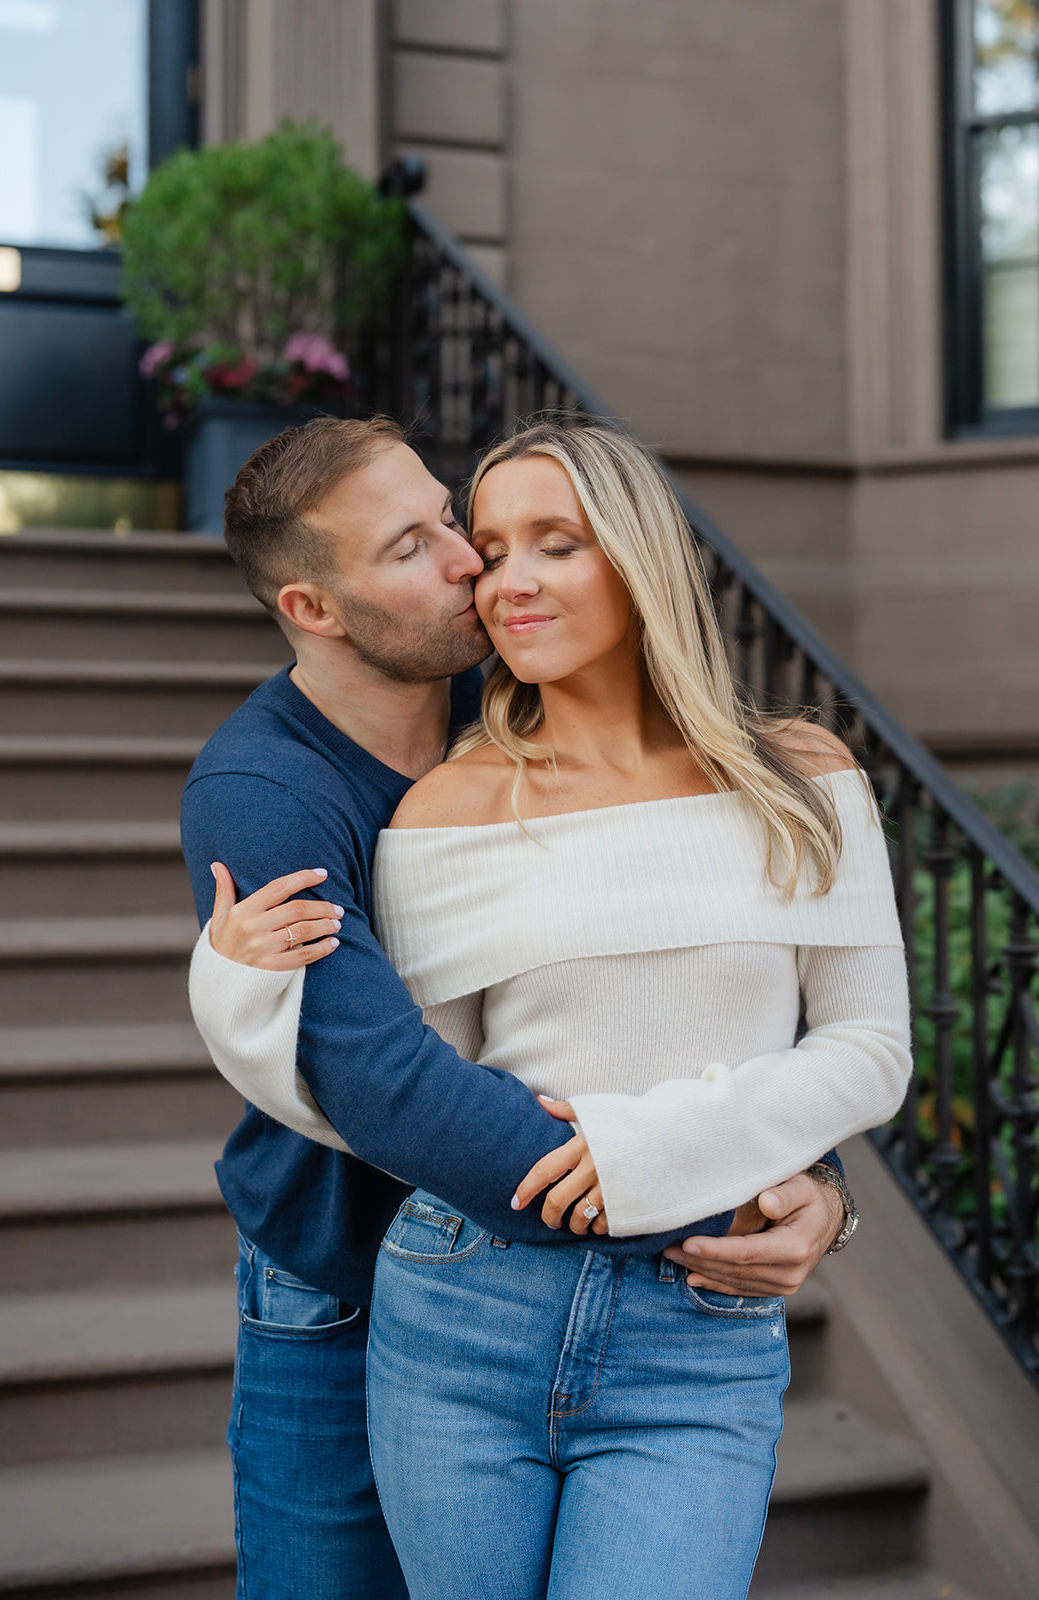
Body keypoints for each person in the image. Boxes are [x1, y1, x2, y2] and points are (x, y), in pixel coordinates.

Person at [188, 415, 909, 1600]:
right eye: (435, 544)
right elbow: (391, 1081)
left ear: (634, 555)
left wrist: (804, 1184)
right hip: (354, 1263)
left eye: (504, 536)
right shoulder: (294, 791)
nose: (484, 571)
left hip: (666, 1313)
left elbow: (829, 1031)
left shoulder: (536, 678)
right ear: (316, 608)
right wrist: (703, 1184)